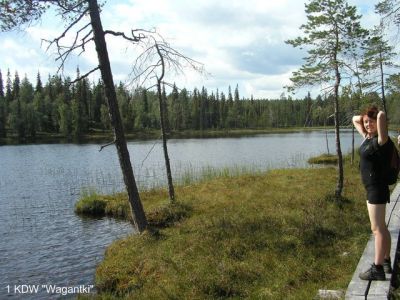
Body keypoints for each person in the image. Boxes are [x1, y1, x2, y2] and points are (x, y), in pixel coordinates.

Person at [352, 105, 393, 281]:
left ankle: (377, 269)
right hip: (372, 189)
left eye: (371, 122)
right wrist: (365, 121)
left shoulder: (381, 141)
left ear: (378, 123)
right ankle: (386, 260)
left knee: (377, 229)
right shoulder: (368, 138)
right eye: (366, 122)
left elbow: (382, 115)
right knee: (381, 227)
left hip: (377, 189)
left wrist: (376, 116)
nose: (368, 124)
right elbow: (355, 119)